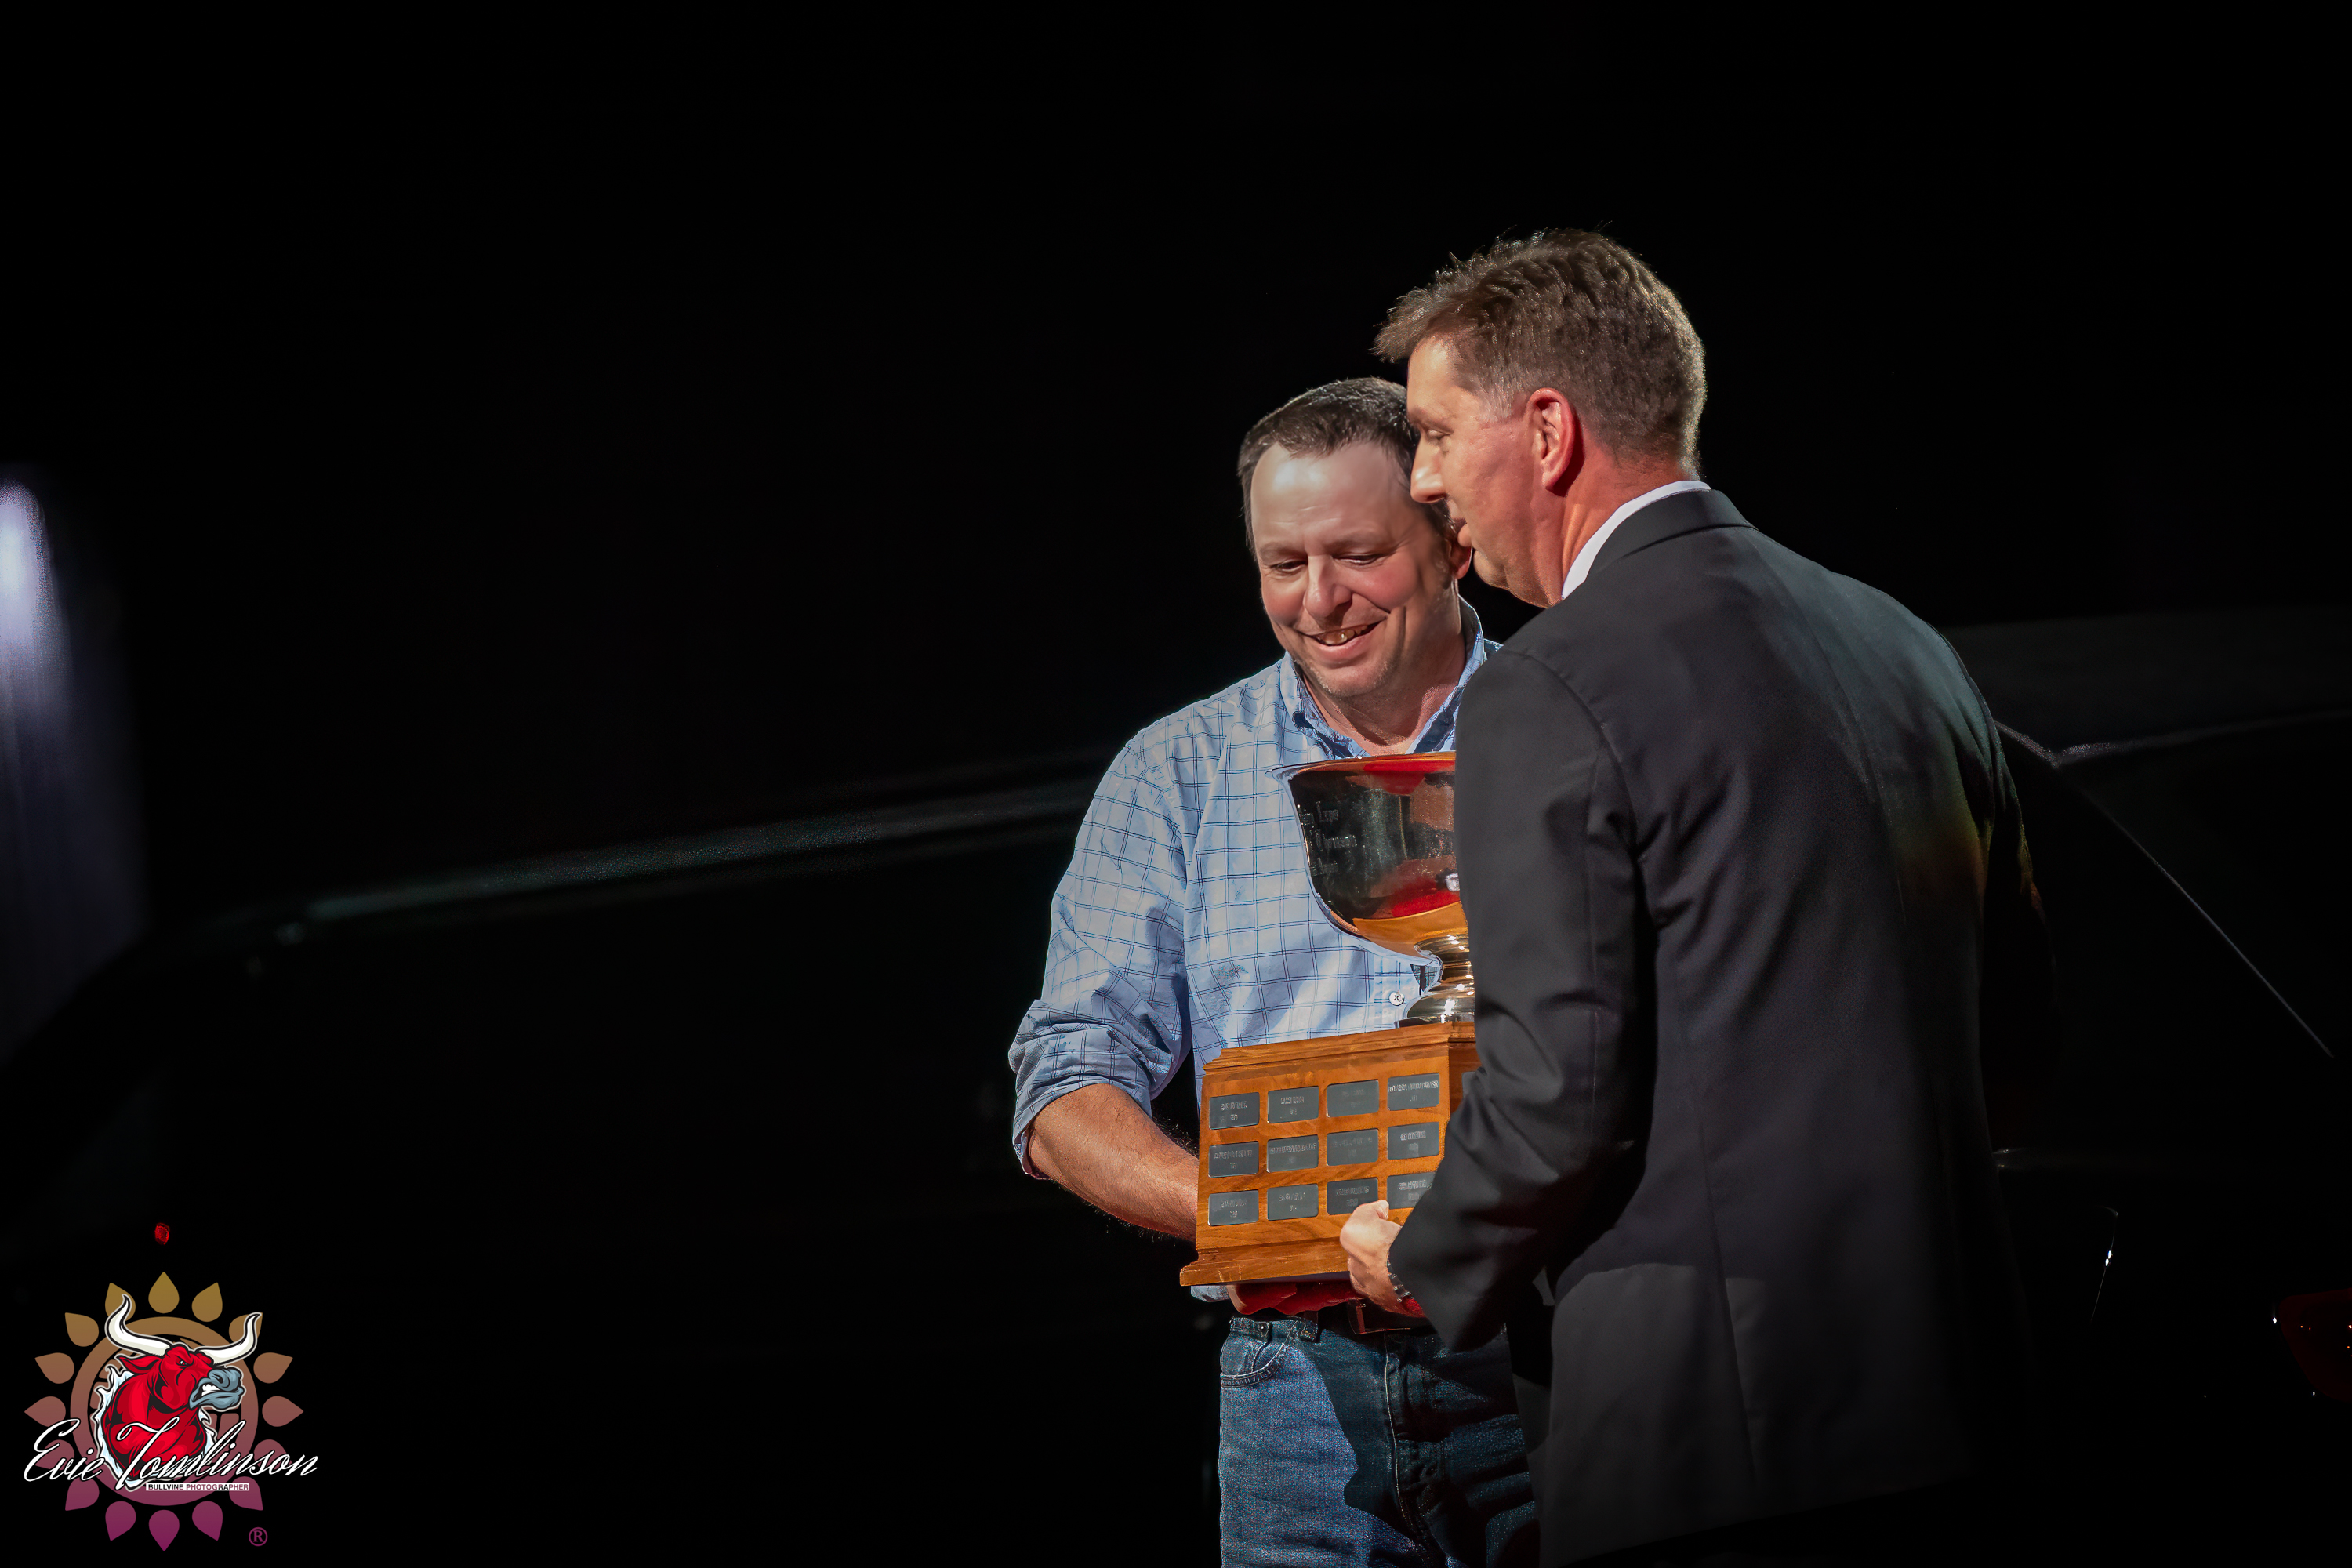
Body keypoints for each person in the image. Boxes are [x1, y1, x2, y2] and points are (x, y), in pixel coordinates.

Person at [1338, 231, 2056, 1565]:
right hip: (1961, 1396)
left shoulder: (1550, 686)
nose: (1424, 480)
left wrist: (1426, 1256)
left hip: (1715, 1426)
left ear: (1546, 431)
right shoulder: (1907, 645)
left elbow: (1560, 1092)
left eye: (1434, 434)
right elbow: (2013, 1044)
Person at [1011, 378, 1537, 1566]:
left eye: (1359, 556)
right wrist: (1263, 1215)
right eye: (1284, 563)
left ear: (1453, 542)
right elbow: (1064, 1087)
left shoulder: (1575, 728)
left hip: (1544, 1349)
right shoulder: (1177, 773)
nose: (1320, 600)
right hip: (1293, 1386)